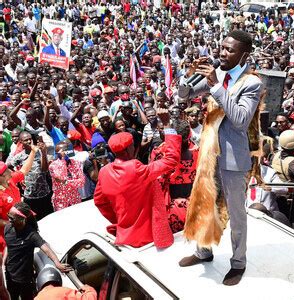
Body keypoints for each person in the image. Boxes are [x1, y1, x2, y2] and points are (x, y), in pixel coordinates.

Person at [178, 30, 263, 286]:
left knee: (236, 213)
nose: (223, 53)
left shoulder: (251, 83)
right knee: (205, 203)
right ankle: (204, 251)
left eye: (230, 50)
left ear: (244, 55)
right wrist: (189, 75)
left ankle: (238, 262)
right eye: (222, 48)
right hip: (209, 154)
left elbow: (238, 121)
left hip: (233, 160)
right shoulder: (219, 74)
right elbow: (184, 95)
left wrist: (215, 85)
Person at [94, 109, 182, 248]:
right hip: (149, 238)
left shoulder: (104, 172)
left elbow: (100, 202)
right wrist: (167, 125)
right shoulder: (136, 168)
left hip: (124, 237)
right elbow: (171, 160)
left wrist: (120, 219)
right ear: (129, 148)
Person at [4, 202, 72, 300]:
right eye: (8, 216)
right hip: (10, 275)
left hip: (25, 279)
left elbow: (46, 248)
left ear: (22, 219)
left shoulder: (32, 235)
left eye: (12, 218)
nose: (9, 220)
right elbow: (8, 245)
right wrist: (3, 263)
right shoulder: (8, 228)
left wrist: (57, 263)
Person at [0, 144, 39, 254]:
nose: (9, 170)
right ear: (1, 177)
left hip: (24, 225)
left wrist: (33, 152)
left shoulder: (10, 180)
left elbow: (24, 170)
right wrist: (12, 223)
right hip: (10, 235)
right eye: (6, 170)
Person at [49, 141, 85, 211]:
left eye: (67, 150)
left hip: (75, 200)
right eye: (64, 151)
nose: (66, 152)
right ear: (57, 153)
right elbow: (59, 177)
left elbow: (81, 182)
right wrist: (64, 161)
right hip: (61, 202)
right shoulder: (53, 166)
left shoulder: (76, 163)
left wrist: (66, 182)